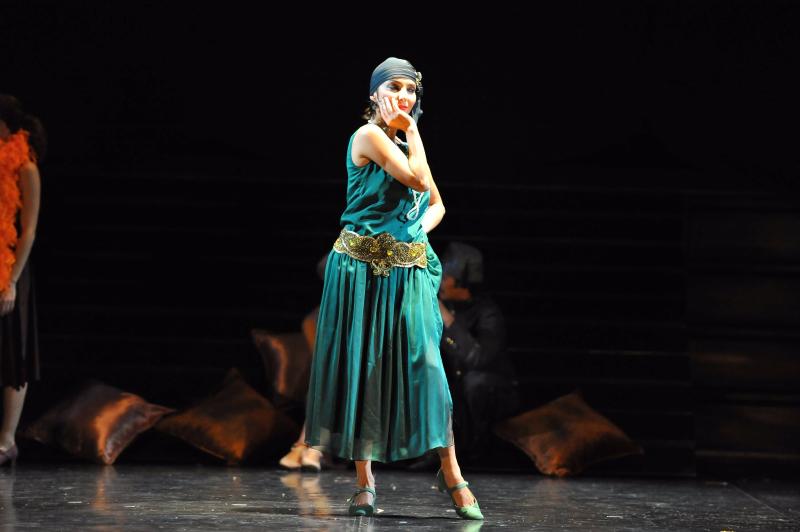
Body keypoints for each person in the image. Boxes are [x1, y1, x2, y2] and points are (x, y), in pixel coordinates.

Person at [302, 57, 483, 520]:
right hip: (361, 270)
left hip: (408, 272)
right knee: (365, 370)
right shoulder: (369, 136)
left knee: (429, 365)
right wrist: (414, 132)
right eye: (394, 87)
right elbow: (416, 179)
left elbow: (436, 202)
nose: (404, 97)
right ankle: (364, 483)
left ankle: (450, 470)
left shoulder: (406, 143)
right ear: (375, 94)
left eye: (411, 90)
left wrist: (415, 230)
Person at [410, 242, 521, 471]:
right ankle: (436, 451)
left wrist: (447, 320)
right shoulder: (446, 306)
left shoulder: (487, 313)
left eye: (446, 277)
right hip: (458, 389)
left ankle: (478, 452)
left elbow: (477, 359)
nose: (441, 282)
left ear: (461, 282)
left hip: (490, 391)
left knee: (475, 383)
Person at [0, 94, 44, 467]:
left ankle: (7, 440)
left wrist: (12, 280)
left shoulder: (26, 168)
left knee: (13, 351)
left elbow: (28, 231)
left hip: (13, 266)